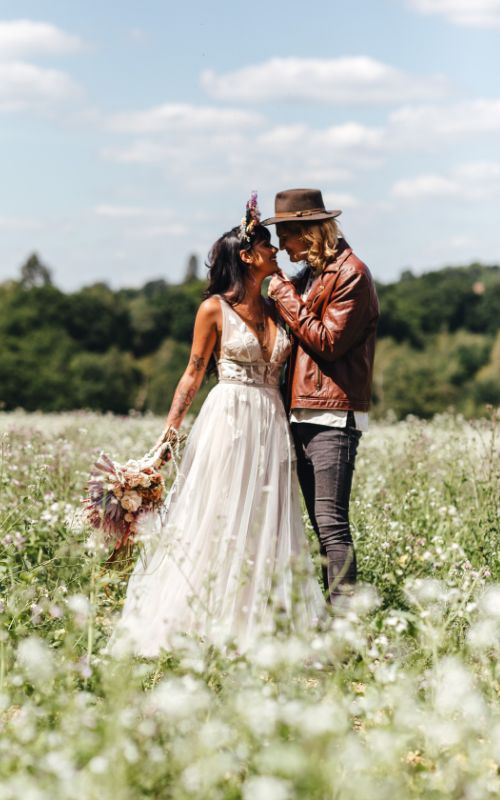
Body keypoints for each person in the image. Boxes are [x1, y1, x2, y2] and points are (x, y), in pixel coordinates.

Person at [106, 193, 324, 658]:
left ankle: (260, 622)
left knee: (267, 518)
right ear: (247, 256)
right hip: (229, 417)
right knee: (220, 511)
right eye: (267, 246)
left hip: (271, 421)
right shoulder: (213, 310)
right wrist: (167, 437)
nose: (275, 252)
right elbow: (192, 371)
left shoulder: (276, 307)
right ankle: (202, 619)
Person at [263, 188, 380, 605]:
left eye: (286, 237)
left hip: (332, 415)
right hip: (302, 413)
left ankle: (344, 633)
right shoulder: (311, 275)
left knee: (331, 525)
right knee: (318, 524)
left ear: (308, 233)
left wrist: (281, 294)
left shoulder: (352, 274)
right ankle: (325, 617)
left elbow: (328, 342)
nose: (282, 248)